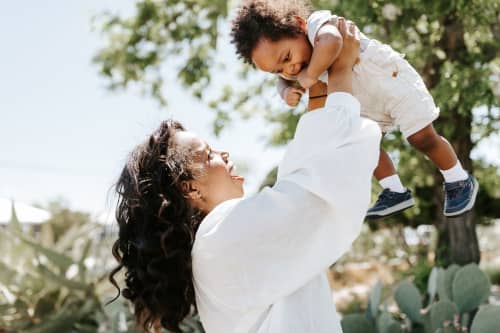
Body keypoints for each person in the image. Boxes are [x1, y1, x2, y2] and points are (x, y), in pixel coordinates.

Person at [109, 21, 380, 333]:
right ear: (190, 189)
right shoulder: (221, 235)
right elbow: (317, 199)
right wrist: (341, 70)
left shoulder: (217, 244)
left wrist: (317, 86)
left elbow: (299, 177)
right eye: (208, 154)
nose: (223, 154)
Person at [230, 0, 479, 219]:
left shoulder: (317, 25)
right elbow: (283, 80)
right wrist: (286, 90)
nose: (290, 69)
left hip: (388, 79)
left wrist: (311, 75)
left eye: (286, 58)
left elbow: (333, 41)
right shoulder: (295, 67)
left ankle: (458, 179)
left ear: (298, 25)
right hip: (363, 101)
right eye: (278, 69)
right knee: (363, 146)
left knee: (420, 137)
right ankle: (394, 190)